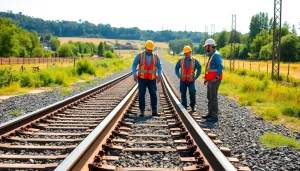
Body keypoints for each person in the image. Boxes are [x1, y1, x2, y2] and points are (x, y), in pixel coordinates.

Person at [132, 40, 162, 117]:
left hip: (152, 79)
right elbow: (134, 65)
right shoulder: (140, 55)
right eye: (148, 50)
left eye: (151, 50)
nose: (149, 51)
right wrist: (134, 74)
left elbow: (159, 66)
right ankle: (142, 111)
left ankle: (154, 111)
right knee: (141, 94)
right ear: (145, 48)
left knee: (153, 94)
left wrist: (159, 75)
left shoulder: (156, 56)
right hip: (142, 79)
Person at [200, 38, 223, 126]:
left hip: (214, 80)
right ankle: (210, 114)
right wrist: (206, 78)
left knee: (213, 98)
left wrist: (217, 77)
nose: (205, 48)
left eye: (206, 47)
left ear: (210, 46)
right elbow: (210, 69)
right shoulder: (212, 55)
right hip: (210, 80)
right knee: (209, 97)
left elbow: (220, 65)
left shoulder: (216, 55)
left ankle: (214, 116)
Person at [175, 45, 202, 113]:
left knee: (192, 92)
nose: (185, 54)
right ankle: (184, 106)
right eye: (184, 53)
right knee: (183, 93)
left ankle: (193, 106)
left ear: (190, 52)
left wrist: (196, 77)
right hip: (183, 80)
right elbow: (176, 68)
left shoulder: (195, 61)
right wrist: (178, 75)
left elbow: (199, 68)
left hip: (191, 81)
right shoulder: (181, 60)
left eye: (187, 53)